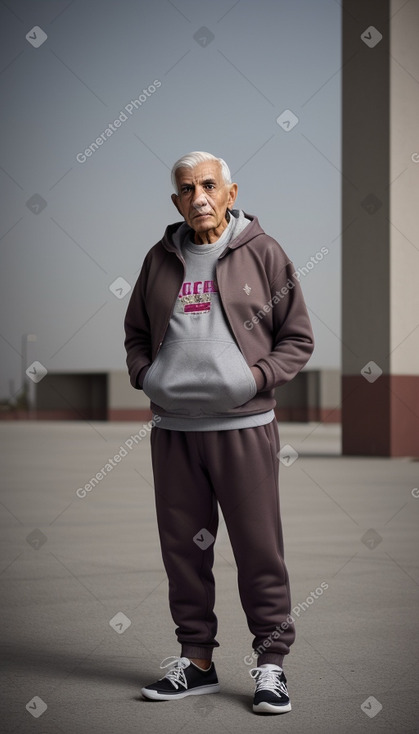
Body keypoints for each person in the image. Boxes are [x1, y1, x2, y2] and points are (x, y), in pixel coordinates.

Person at [124, 151, 314, 714]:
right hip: (175, 431)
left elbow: (297, 339)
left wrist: (255, 378)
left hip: (244, 429)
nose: (199, 196)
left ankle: (271, 666)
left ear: (231, 193)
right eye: (187, 189)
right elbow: (135, 332)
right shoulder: (159, 259)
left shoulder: (264, 253)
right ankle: (196, 661)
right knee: (184, 551)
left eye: (209, 185)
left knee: (259, 549)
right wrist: (145, 375)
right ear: (176, 201)